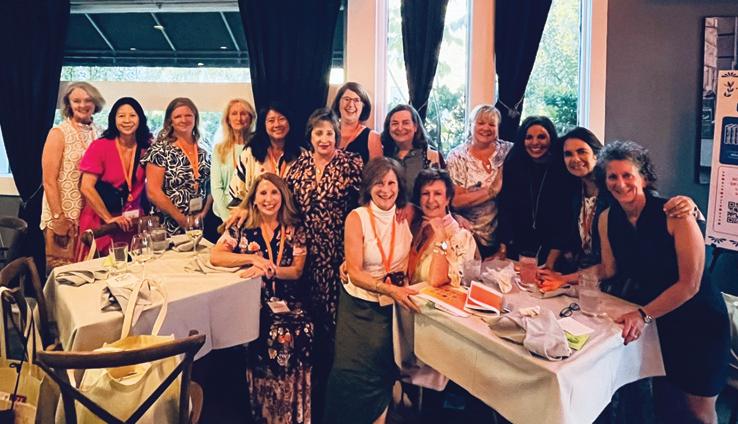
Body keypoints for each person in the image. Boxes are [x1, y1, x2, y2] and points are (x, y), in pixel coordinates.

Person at [544, 141, 729, 423]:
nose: (620, 183)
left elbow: (689, 284)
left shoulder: (675, 214)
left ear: (643, 178)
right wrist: (563, 279)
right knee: (667, 404)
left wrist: (643, 315)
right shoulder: (606, 218)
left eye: (627, 175)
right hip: (659, 322)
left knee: (699, 412)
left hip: (698, 321)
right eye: (612, 176)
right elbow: (608, 269)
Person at [210, 173, 312, 424]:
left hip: (287, 301)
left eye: (274, 192)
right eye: (263, 193)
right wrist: (252, 258)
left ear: (283, 196)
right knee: (261, 330)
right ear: (253, 199)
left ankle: (290, 411)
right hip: (251, 301)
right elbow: (216, 256)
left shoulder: (294, 227)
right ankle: (263, 411)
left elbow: (297, 271)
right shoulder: (242, 225)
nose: (269, 199)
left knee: (300, 330)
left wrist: (271, 270)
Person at [324, 157, 419, 424]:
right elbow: (354, 272)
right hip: (359, 307)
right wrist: (388, 290)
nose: (385, 190)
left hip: (392, 309)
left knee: (383, 372)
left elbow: (439, 210)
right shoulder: (358, 217)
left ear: (399, 186)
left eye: (391, 183)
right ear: (368, 186)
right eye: (379, 183)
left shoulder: (408, 214)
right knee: (351, 374)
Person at [284, 108, 363, 421]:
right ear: (310, 136)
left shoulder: (350, 164)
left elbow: (364, 203)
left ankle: (336, 392)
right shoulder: (298, 167)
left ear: (337, 136)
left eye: (330, 132)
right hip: (305, 255)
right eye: (319, 133)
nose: (324, 138)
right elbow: (287, 206)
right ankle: (310, 389)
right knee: (308, 318)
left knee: (336, 322)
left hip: (339, 254)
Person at [544, 127, 700, 274]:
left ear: (596, 154)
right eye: (568, 154)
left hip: (618, 279)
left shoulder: (619, 191)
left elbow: (652, 206)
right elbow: (562, 234)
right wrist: (550, 268)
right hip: (583, 275)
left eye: (581, 151)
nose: (575, 159)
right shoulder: (572, 193)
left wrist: (691, 206)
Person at [41, 81, 105, 269]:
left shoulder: (101, 133)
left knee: (90, 271)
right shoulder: (59, 133)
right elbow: (48, 180)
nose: (82, 105)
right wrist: (58, 217)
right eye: (76, 101)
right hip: (63, 215)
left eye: (88, 100)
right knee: (64, 272)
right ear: (68, 104)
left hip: (90, 215)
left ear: (95, 103)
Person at [77, 97, 150, 258]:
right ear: (113, 119)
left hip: (131, 222)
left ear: (140, 118)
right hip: (101, 221)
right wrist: (109, 218)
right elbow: (86, 187)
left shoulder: (147, 147)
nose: (127, 120)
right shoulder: (100, 146)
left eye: (132, 115)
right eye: (121, 116)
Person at [497, 115, 573, 263]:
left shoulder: (562, 169)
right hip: (517, 247)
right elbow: (505, 206)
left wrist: (551, 261)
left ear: (551, 138)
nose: (535, 142)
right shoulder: (514, 163)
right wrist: (503, 245)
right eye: (529, 137)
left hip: (554, 250)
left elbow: (565, 217)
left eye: (541, 137)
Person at [446, 105, 512, 259]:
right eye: (480, 123)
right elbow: (456, 201)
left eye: (492, 124)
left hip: (503, 237)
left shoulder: (508, 151)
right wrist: (492, 190)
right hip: (467, 234)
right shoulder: (457, 156)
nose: (486, 128)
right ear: (471, 125)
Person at [141, 97, 212, 236]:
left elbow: (211, 185)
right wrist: (181, 219)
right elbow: (153, 192)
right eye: (178, 116)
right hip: (168, 226)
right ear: (170, 121)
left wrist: (203, 213)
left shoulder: (204, 148)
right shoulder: (160, 150)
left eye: (188, 115)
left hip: (199, 223)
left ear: (195, 118)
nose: (184, 120)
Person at [408, 169, 478, 286]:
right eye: (425, 194)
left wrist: (441, 237)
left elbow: (437, 280)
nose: (431, 200)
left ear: (447, 199)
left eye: (437, 194)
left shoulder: (461, 236)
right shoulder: (417, 227)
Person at [228, 102, 302, 206]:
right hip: (256, 214)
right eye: (271, 120)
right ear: (263, 124)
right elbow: (237, 195)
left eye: (282, 119)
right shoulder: (250, 154)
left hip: (291, 215)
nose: (277, 124)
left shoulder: (301, 155)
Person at [381, 104, 443, 198]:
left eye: (405, 123)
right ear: (388, 128)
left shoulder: (432, 157)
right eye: (395, 123)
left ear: (415, 127)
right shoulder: (381, 155)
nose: (400, 128)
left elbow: (441, 193)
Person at [211, 98, 256, 222]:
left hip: (252, 214)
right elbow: (216, 187)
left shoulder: (258, 147)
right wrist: (226, 218)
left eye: (243, 113)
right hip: (223, 215)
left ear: (251, 118)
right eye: (234, 114)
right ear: (228, 119)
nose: (239, 118)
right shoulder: (219, 149)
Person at [330, 82, 383, 164]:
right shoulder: (328, 132)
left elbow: (378, 170)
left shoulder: (372, 137)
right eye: (347, 99)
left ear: (363, 106)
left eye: (356, 100)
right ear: (338, 103)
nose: (351, 105)